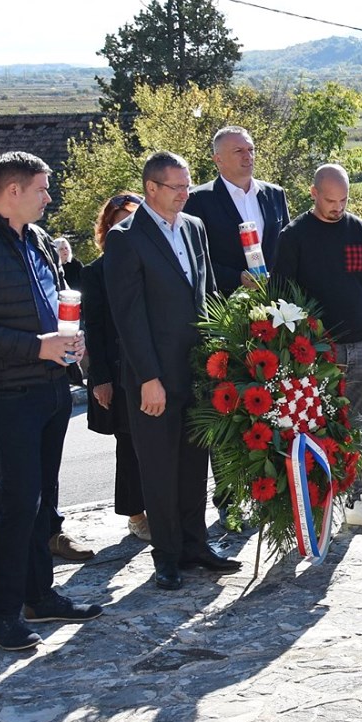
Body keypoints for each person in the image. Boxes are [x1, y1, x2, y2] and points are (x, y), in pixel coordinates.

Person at [0, 152, 102, 652]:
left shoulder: (37, 240)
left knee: (42, 499)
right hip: (5, 392)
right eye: (42, 188)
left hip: (52, 385)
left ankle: (40, 596)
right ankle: (2, 616)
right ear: (13, 191)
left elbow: (56, 301)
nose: (49, 197)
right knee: (17, 503)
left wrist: (71, 338)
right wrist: (36, 346)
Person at [105, 151, 240, 589]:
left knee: (193, 464)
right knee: (159, 468)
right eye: (176, 187)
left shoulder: (194, 227)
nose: (185, 194)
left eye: (187, 185)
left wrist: (221, 353)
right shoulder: (126, 238)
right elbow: (129, 317)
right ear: (151, 188)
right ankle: (166, 555)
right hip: (154, 378)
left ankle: (195, 545)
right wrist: (149, 378)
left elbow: (208, 292)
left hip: (197, 370)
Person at [270, 163, 362, 533]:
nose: (337, 207)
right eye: (330, 201)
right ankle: (318, 507)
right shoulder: (294, 237)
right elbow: (280, 296)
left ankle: (355, 501)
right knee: (317, 429)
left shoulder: (361, 232)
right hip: (317, 353)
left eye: (343, 200)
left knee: (359, 429)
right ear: (313, 194)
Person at [81, 192, 150, 544]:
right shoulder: (95, 272)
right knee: (129, 444)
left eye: (131, 221)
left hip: (153, 366)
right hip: (118, 372)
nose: (124, 228)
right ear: (106, 228)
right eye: (117, 222)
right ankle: (135, 514)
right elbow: (94, 328)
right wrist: (101, 378)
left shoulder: (152, 260)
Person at [186, 125, 290, 295]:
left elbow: (287, 248)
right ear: (218, 159)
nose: (248, 156)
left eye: (251, 149)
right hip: (226, 302)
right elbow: (194, 259)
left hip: (274, 300)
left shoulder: (275, 194)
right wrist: (237, 278)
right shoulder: (199, 199)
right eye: (238, 151)